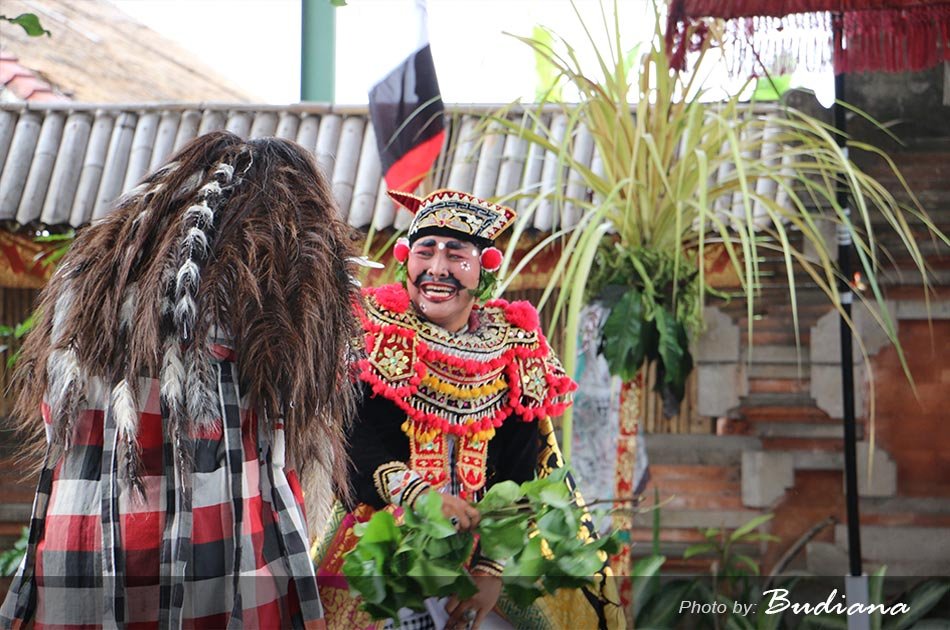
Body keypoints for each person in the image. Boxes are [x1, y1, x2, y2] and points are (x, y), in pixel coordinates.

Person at [1, 131, 359, 629]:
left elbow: (52, 416)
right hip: (212, 558)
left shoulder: (86, 283)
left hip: (79, 545)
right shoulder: (258, 296)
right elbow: (286, 444)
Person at [315, 189, 624, 630]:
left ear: (484, 270)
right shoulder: (373, 327)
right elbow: (350, 441)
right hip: (384, 541)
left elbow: (522, 467)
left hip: (488, 550)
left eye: (456, 255)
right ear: (406, 259)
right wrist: (419, 496)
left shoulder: (516, 345)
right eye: (425, 251)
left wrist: (491, 570)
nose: (437, 269)